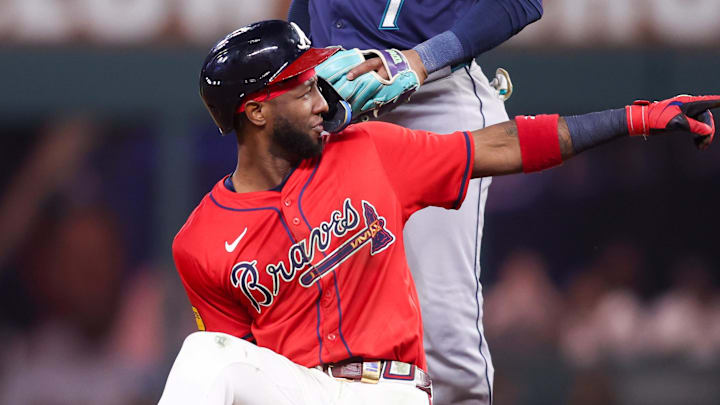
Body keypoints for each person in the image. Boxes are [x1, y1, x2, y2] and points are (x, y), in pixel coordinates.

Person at [158, 19, 718, 405]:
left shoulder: (369, 150)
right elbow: (242, 372)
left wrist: (636, 118)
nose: (323, 100)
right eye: (302, 89)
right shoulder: (201, 242)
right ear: (255, 112)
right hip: (298, 390)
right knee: (206, 356)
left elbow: (502, 145)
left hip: (389, 391)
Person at [286, 2, 543, 403]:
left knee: (443, 328)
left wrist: (425, 58)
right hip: (336, 101)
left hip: (433, 94)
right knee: (323, 317)